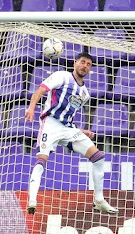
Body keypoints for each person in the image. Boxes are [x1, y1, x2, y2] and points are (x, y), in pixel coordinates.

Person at [24, 52, 118, 215]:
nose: (85, 66)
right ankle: (32, 199)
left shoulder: (85, 94)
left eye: (88, 64)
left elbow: (68, 117)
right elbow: (40, 91)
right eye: (82, 62)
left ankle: (99, 200)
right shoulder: (62, 76)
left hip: (68, 129)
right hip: (50, 124)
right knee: (41, 160)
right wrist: (31, 107)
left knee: (98, 158)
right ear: (75, 63)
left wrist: (81, 131)